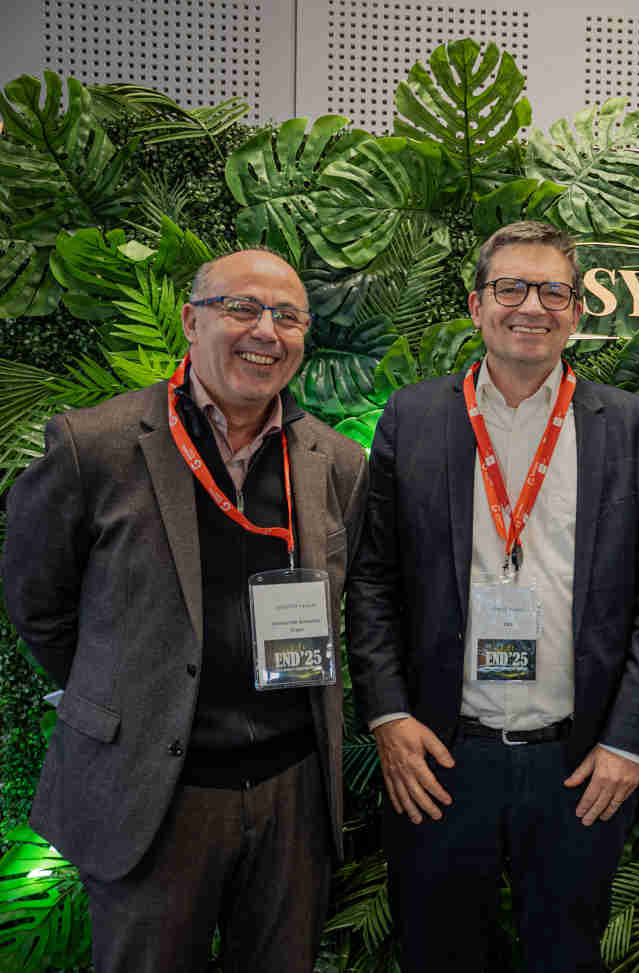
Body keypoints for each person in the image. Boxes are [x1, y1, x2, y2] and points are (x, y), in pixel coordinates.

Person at [3, 250, 368, 972]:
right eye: (242, 308)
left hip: (291, 792)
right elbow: (36, 602)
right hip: (154, 795)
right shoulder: (94, 446)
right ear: (190, 320)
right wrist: (128, 689)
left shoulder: (337, 462)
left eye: (287, 316)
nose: (266, 330)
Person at [345, 220, 639, 971]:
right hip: (439, 756)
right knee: (438, 953)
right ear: (476, 305)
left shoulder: (634, 429)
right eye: (510, 287)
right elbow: (371, 576)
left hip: (577, 763)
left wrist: (629, 742)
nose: (530, 305)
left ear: (576, 311)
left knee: (564, 956)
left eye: (552, 290)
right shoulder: (414, 417)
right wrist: (389, 715)